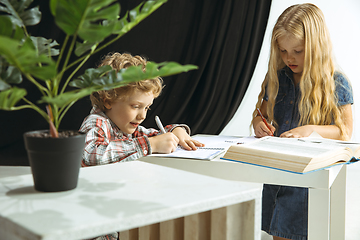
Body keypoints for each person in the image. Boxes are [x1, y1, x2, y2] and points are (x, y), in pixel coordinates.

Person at [251, 3, 353, 240]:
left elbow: (344, 132)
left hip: (308, 182)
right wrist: (258, 122)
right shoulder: (277, 78)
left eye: (297, 51)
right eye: (283, 51)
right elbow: (261, 114)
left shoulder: (335, 82)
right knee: (277, 234)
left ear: (316, 47)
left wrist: (310, 130)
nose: (289, 58)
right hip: (277, 175)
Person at [80, 52, 204, 167]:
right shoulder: (96, 122)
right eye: (136, 106)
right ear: (108, 101)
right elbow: (90, 155)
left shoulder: (125, 128)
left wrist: (175, 131)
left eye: (147, 107)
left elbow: (155, 136)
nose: (142, 115)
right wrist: (150, 144)